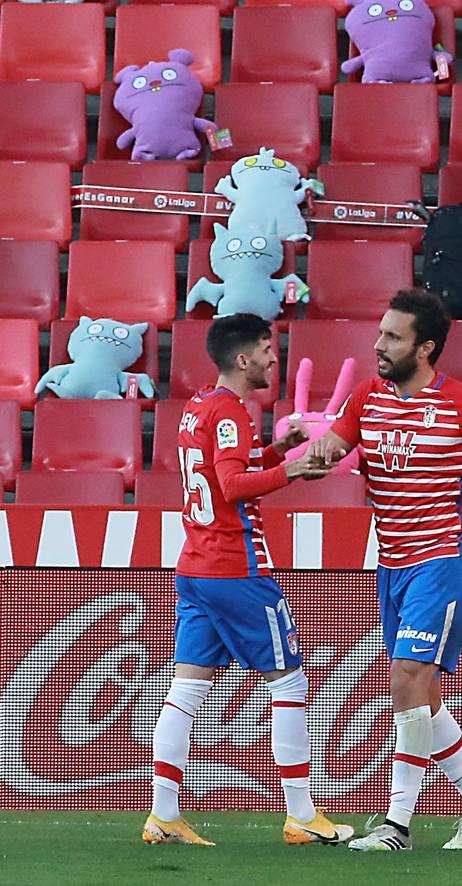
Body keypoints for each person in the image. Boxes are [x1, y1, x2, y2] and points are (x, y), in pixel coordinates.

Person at [308, 289, 462, 852]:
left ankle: (396, 825)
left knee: (408, 679)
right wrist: (298, 449)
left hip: (442, 559)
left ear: (425, 347)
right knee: (424, 697)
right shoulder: (366, 398)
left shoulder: (461, 402)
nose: (378, 345)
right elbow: (327, 454)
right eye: (380, 333)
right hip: (391, 564)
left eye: (392, 337)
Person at [144, 313, 352, 847]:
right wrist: (294, 471)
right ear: (243, 359)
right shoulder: (233, 411)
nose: (273, 358)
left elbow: (220, 472)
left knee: (186, 691)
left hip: (195, 565)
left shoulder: (197, 407)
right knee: (290, 681)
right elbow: (234, 485)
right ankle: (301, 812)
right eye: (267, 349)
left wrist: (279, 452)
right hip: (235, 565)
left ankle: (163, 815)